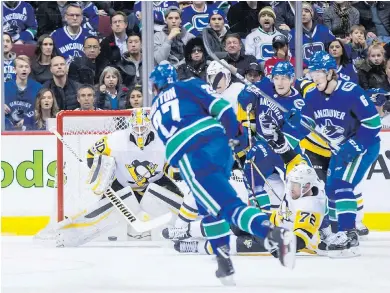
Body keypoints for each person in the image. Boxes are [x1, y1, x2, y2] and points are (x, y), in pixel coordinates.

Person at [149, 63, 296, 285]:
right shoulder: (190, 84)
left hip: (193, 156)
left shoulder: (153, 109)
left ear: (154, 86)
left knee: (227, 206)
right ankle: (223, 263)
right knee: (207, 206)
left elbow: (172, 144)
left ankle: (272, 234)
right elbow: (224, 109)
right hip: (219, 146)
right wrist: (233, 136)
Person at [289, 51, 382, 257]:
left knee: (342, 184)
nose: (314, 78)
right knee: (331, 188)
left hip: (364, 146)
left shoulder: (351, 92)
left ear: (331, 72)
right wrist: (292, 125)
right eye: (312, 73)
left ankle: (348, 233)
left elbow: (373, 124)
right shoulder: (312, 95)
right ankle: (334, 233)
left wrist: (355, 146)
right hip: (339, 149)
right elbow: (307, 124)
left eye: (319, 73)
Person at [173, 164, 327, 256]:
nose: (290, 189)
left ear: (307, 187)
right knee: (237, 222)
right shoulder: (298, 188)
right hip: (273, 223)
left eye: (294, 186)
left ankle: (196, 247)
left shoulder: (311, 207)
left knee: (239, 243)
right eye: (291, 184)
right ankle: (187, 230)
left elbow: (299, 241)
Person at [4, 55, 42, 131]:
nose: (24, 69)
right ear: (14, 70)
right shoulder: (4, 87)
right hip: (7, 129)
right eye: (21, 67)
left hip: (30, 129)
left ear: (30, 70)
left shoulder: (38, 88)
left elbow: (42, 110)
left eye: (26, 67)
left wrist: (28, 121)